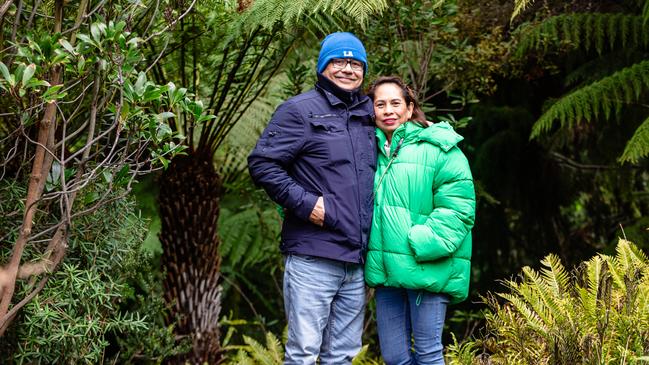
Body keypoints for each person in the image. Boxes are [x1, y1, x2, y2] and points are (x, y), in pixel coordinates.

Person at [247, 32, 376, 365]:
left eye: (355, 63)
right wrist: (308, 205)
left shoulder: (367, 115)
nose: (348, 69)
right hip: (313, 258)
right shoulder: (299, 110)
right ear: (323, 67)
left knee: (343, 356)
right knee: (303, 353)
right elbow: (262, 163)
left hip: (356, 260)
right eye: (339, 61)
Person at [364, 76, 476, 365]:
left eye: (395, 103)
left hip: (425, 267)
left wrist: (421, 242)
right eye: (380, 104)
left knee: (427, 354)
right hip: (387, 274)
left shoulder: (439, 147)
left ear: (410, 107)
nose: (388, 110)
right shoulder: (368, 153)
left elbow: (459, 208)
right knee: (395, 357)